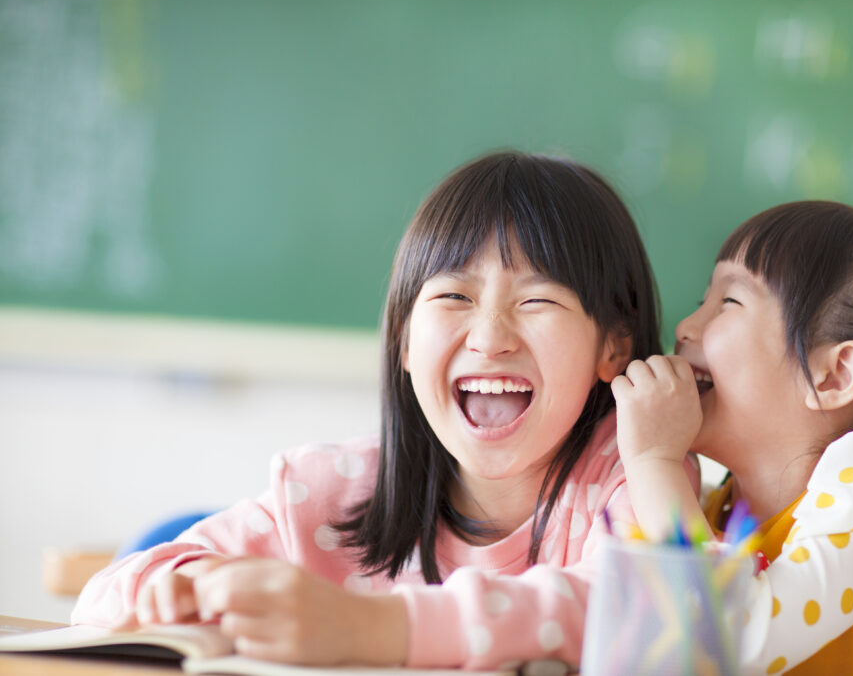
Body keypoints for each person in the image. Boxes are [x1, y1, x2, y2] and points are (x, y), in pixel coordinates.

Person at [71, 151, 673, 670]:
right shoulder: (328, 492)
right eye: (454, 296)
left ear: (613, 347)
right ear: (406, 342)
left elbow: (649, 613)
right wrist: (187, 592)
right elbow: (104, 600)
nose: (490, 337)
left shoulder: (637, 479)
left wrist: (370, 627)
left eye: (537, 299)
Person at [612, 201, 853, 674]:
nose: (685, 327)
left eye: (728, 303)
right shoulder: (720, 508)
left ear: (834, 376)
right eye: (701, 301)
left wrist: (654, 462)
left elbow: (732, 642)